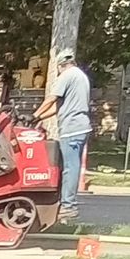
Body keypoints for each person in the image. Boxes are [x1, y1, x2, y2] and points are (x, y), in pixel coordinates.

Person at [38, 48, 92, 223]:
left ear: (61, 65)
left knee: (70, 167)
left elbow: (51, 99)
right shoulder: (81, 77)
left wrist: (34, 114)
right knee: (68, 166)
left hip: (72, 128)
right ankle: (64, 202)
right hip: (81, 126)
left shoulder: (66, 76)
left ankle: (68, 205)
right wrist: (38, 117)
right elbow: (58, 107)